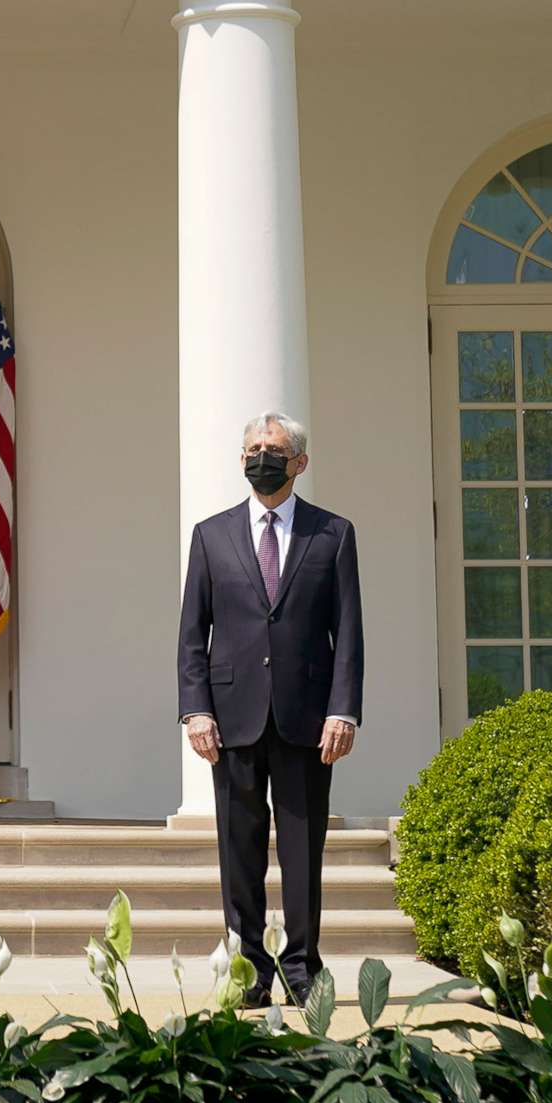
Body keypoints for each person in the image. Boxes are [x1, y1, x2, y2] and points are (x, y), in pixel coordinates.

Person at [175, 410, 364, 1006]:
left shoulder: (332, 534)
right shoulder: (211, 535)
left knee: (304, 850)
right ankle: (249, 968)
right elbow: (191, 633)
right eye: (254, 447)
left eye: (274, 448)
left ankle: (303, 967)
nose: (262, 456)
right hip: (230, 719)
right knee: (239, 848)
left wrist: (345, 710)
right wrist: (194, 709)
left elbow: (349, 632)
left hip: (309, 718)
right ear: (242, 460)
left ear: (299, 462)